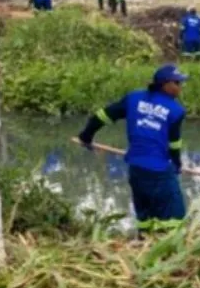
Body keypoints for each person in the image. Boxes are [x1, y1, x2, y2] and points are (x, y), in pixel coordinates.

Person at [77, 64, 189, 229]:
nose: (180, 87)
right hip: (158, 172)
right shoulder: (176, 110)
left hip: (136, 169)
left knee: (145, 217)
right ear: (165, 84)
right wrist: (177, 164)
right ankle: (167, 250)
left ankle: (143, 245)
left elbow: (102, 116)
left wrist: (86, 136)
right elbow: (174, 144)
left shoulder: (133, 99)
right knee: (174, 219)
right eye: (177, 83)